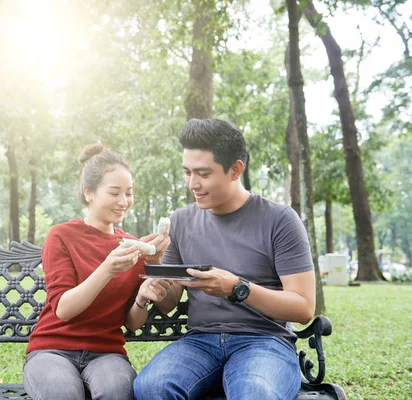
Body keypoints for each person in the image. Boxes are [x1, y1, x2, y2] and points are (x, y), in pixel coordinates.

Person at [133, 119, 316, 400]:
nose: (193, 184)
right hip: (200, 341)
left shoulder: (279, 220)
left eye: (203, 173)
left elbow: (304, 308)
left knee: (254, 394)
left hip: (265, 340)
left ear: (235, 170)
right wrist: (156, 278)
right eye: (187, 172)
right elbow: (169, 301)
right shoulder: (181, 221)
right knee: (151, 388)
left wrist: (236, 288)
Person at [23, 144, 173, 400]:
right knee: (64, 394)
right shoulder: (61, 236)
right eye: (114, 193)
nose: (124, 202)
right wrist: (107, 268)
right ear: (88, 193)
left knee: (118, 393)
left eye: (129, 193)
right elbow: (64, 309)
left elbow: (132, 322)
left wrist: (147, 284)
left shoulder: (131, 247)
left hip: (106, 352)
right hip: (52, 349)